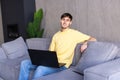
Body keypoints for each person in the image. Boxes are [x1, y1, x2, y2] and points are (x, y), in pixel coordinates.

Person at [18, 13, 96, 80]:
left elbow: (93, 39)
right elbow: (51, 52)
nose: (65, 21)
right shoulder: (56, 35)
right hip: (52, 62)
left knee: (40, 69)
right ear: (60, 21)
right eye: (63, 19)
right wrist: (43, 60)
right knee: (24, 63)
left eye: (67, 20)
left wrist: (85, 43)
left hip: (63, 65)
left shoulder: (74, 33)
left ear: (70, 23)